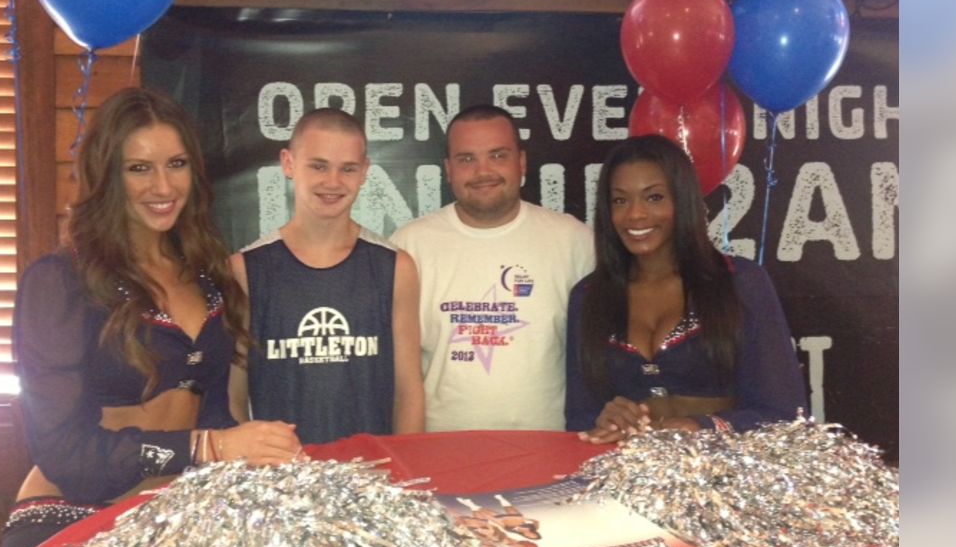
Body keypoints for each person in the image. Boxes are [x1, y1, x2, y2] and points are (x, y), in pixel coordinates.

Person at [0, 88, 302, 547]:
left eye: (176, 164)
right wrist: (212, 447)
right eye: (139, 168)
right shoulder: (59, 281)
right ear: (107, 175)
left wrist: (255, 449)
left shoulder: (208, 273)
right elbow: (63, 451)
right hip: (73, 516)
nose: (163, 187)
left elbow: (215, 412)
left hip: (176, 519)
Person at [565, 135, 806, 440]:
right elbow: (579, 420)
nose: (635, 214)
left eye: (654, 198)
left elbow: (786, 414)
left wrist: (698, 426)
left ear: (683, 200)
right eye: (620, 200)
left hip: (728, 476)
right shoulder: (588, 297)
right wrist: (606, 420)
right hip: (629, 478)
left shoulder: (740, 282)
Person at [391, 105, 594, 431]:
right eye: (467, 159)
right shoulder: (409, 246)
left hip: (550, 456)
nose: (483, 172)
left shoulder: (575, 241)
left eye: (498, 155)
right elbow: (397, 375)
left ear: (522, 163)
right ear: (448, 169)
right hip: (442, 457)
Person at [228, 108, 425, 444]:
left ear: (364, 171)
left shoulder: (395, 268)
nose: (332, 182)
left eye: (347, 169)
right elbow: (231, 396)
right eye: (318, 166)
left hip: (372, 479)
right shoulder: (244, 270)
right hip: (280, 482)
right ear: (288, 164)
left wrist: (405, 469)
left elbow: (409, 391)